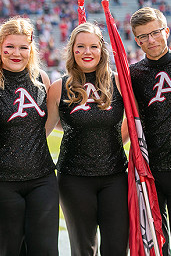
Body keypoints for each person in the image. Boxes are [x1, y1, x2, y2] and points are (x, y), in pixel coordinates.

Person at [46, 22, 129, 256]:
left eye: (93, 46)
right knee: (83, 248)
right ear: (72, 50)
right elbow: (43, 132)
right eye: (80, 46)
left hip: (115, 176)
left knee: (117, 246)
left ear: (102, 51)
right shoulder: (58, 87)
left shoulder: (119, 82)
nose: (87, 52)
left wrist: (111, 146)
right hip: (74, 178)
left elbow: (135, 126)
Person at [0, 17, 59, 256]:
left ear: (31, 48)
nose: (17, 53)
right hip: (0, 183)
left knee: (45, 250)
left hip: (42, 179)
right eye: (10, 47)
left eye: (23, 47)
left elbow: (44, 126)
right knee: (10, 251)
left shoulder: (41, 80)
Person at [129, 7, 171, 256]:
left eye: (155, 32)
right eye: (142, 36)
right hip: (149, 169)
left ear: (166, 31)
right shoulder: (133, 73)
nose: (150, 40)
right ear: (136, 40)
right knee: (157, 244)